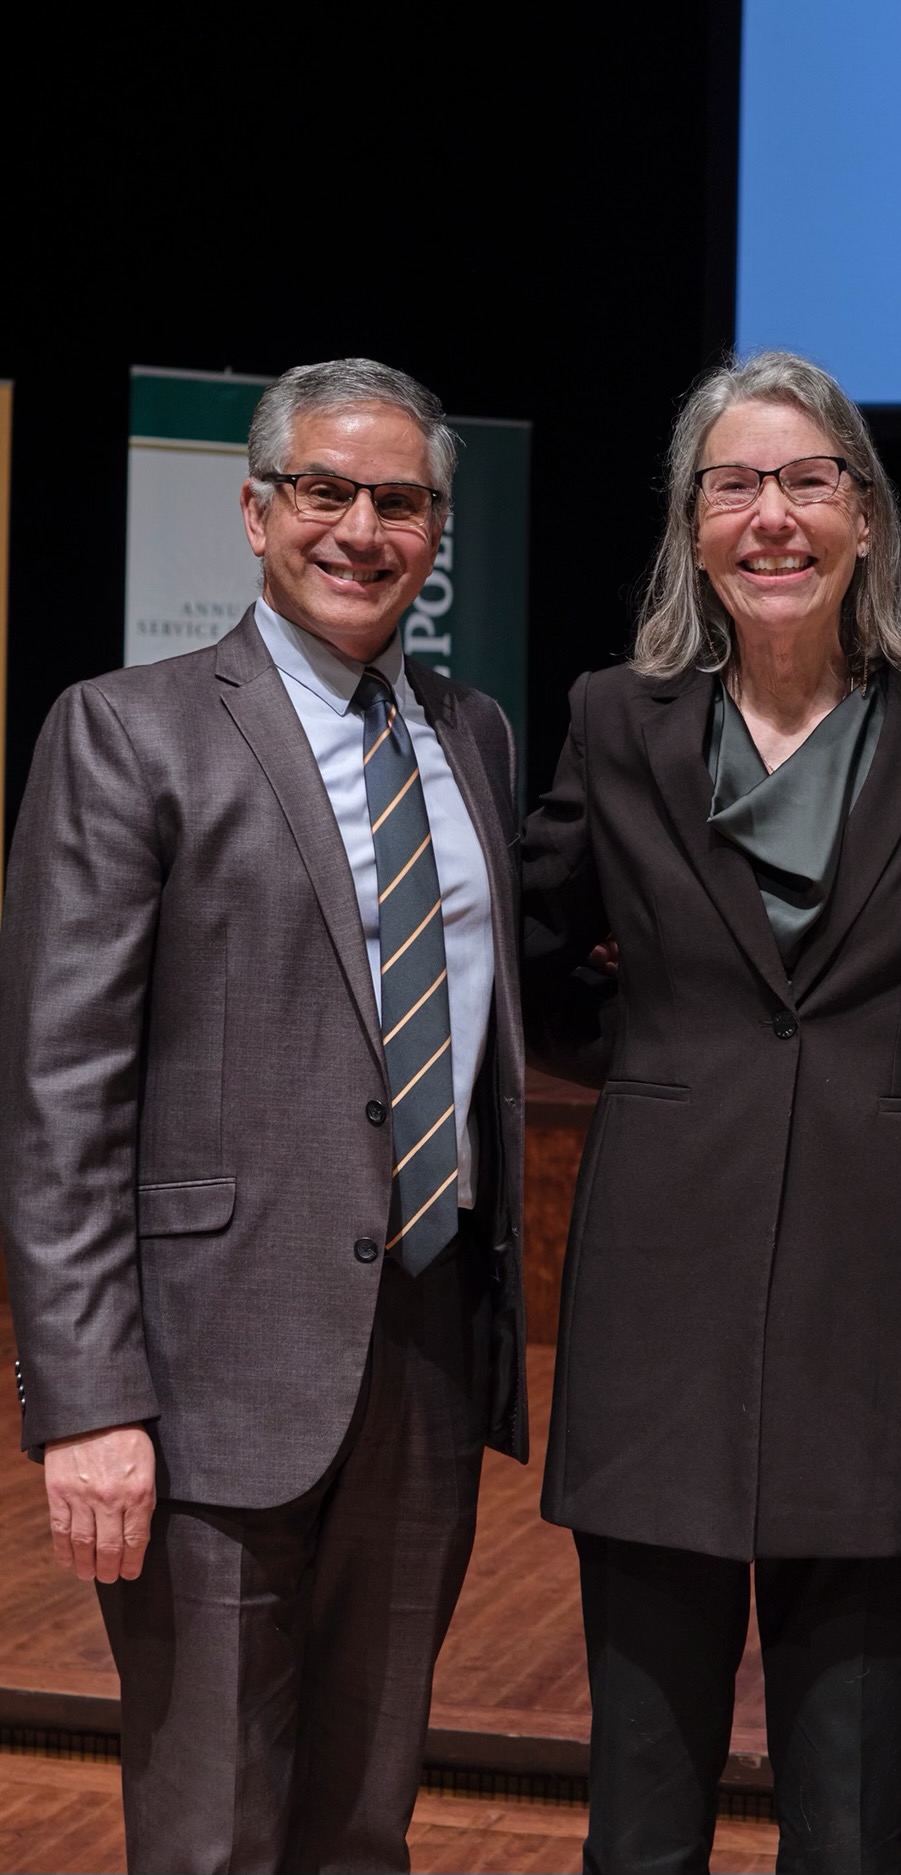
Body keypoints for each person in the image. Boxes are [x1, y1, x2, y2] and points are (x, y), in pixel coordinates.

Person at [0, 358, 527, 1873]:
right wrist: (88, 1402)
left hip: (424, 1354)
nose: (362, 528)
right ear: (254, 511)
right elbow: (59, 1096)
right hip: (203, 1373)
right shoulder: (127, 730)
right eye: (325, 491)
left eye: (400, 501)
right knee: (213, 1829)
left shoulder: (473, 735)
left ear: (436, 531)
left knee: (364, 1821)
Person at [522, 350, 901, 1874]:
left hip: (885, 1295)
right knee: (644, 1795)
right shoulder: (617, 718)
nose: (773, 516)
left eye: (808, 480)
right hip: (660, 1283)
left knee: (853, 1803)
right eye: (734, 485)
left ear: (865, 515)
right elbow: (536, 954)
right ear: (693, 525)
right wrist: (672, 1072)